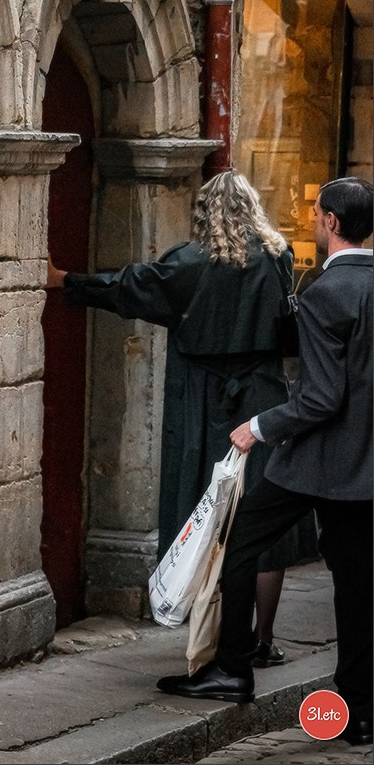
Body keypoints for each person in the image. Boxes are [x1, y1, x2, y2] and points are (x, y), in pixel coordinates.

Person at [47, 170, 318, 663]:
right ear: (252, 209)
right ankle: (262, 640)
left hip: (202, 400)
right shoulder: (276, 256)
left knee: (203, 515)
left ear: (202, 213)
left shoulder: (187, 263)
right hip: (260, 394)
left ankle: (210, 633)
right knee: (260, 518)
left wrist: (67, 281)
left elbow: (129, 286)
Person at [156, 176, 373, 746]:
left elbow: (323, 398)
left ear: (328, 221)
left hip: (319, 459)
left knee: (242, 539)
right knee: (355, 584)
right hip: (365, 465)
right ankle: (357, 710)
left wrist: (258, 426)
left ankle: (231, 668)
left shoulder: (327, 293)